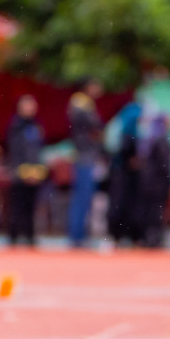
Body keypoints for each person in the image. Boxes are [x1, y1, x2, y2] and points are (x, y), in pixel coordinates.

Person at [68, 79, 105, 247]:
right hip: (84, 155)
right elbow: (95, 125)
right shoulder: (81, 104)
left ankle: (79, 234)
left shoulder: (83, 104)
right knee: (83, 196)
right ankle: (77, 235)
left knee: (84, 196)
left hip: (85, 154)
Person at [6, 94, 46, 247]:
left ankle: (30, 236)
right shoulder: (16, 125)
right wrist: (21, 171)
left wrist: (37, 171)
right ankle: (13, 238)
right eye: (27, 105)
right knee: (17, 206)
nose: (31, 108)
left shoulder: (36, 125)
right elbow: (16, 150)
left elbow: (37, 150)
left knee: (32, 207)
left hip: (35, 171)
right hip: (20, 172)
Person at [107, 102, 145, 246]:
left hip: (119, 172)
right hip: (124, 173)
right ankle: (122, 235)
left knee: (121, 203)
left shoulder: (118, 124)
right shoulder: (130, 128)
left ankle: (118, 236)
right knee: (123, 204)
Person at [139, 112, 170, 249]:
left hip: (148, 182)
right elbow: (165, 165)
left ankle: (148, 237)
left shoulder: (150, 138)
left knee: (149, 211)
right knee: (157, 212)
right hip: (159, 183)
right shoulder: (162, 140)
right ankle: (154, 239)